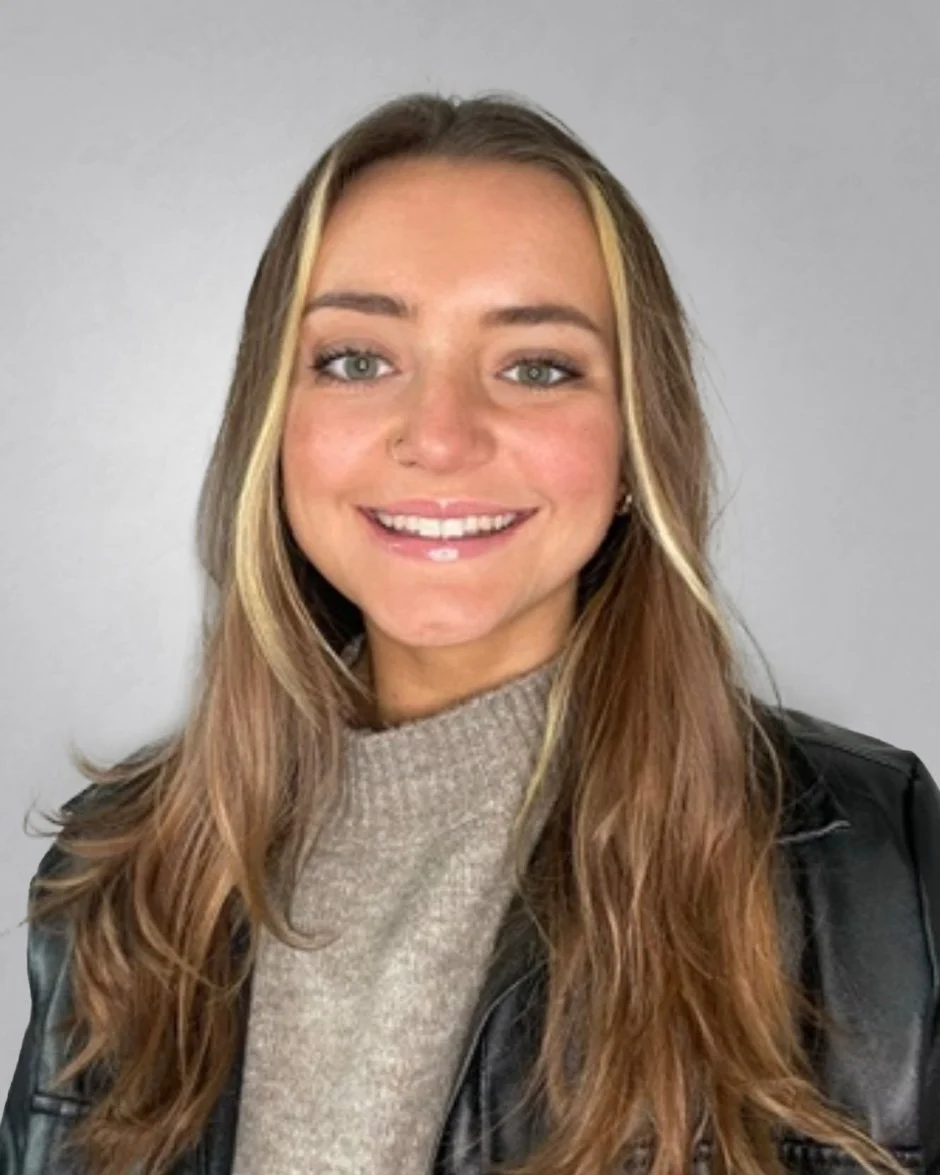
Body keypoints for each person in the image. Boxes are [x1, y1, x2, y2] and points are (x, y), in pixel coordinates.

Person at [1, 91, 937, 1175]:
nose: (440, 438)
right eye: (358, 359)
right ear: (276, 425)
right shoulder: (124, 872)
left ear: (635, 443)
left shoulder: (868, 868)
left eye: (537, 366)